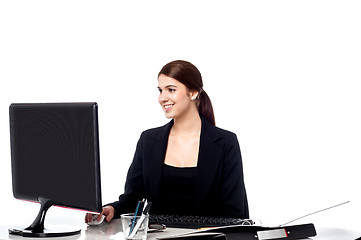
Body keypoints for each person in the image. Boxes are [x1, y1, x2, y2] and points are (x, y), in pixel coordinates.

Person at [85, 60, 249, 224]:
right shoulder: (148, 140)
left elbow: (233, 212)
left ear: (192, 93)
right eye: (160, 90)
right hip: (157, 236)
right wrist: (114, 208)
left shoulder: (226, 142)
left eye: (171, 90)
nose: (162, 98)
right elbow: (134, 198)